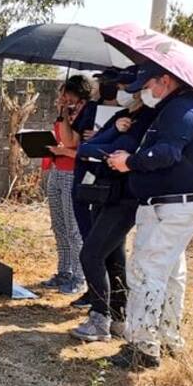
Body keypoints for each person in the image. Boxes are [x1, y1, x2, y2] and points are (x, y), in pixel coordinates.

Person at [105, 63, 193, 369]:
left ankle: (143, 345)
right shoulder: (185, 108)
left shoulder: (181, 111)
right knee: (170, 272)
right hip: (175, 204)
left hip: (169, 207)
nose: (144, 92)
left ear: (165, 80)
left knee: (146, 270)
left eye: (148, 85)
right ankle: (168, 336)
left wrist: (131, 162)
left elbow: (166, 153)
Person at [70, 71, 157, 343]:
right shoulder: (125, 117)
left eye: (129, 89)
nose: (124, 94)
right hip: (107, 194)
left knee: (91, 254)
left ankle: (99, 317)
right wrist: (108, 136)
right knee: (113, 257)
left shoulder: (144, 121)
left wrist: (102, 146)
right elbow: (86, 147)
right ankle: (118, 317)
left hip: (124, 198)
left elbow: (107, 151)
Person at [61, 68, 122, 311]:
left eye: (110, 83)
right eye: (101, 83)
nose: (103, 87)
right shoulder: (92, 109)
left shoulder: (132, 115)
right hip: (86, 181)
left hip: (113, 186)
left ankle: (111, 301)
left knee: (110, 247)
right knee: (88, 237)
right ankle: (93, 292)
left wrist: (106, 134)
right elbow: (71, 142)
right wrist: (63, 114)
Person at [40, 74, 93, 296]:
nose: (62, 97)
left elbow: (72, 143)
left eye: (67, 93)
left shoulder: (86, 114)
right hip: (57, 171)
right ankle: (64, 270)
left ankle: (80, 277)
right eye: (61, 93)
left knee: (73, 228)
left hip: (73, 173)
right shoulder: (66, 114)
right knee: (59, 226)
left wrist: (64, 149)